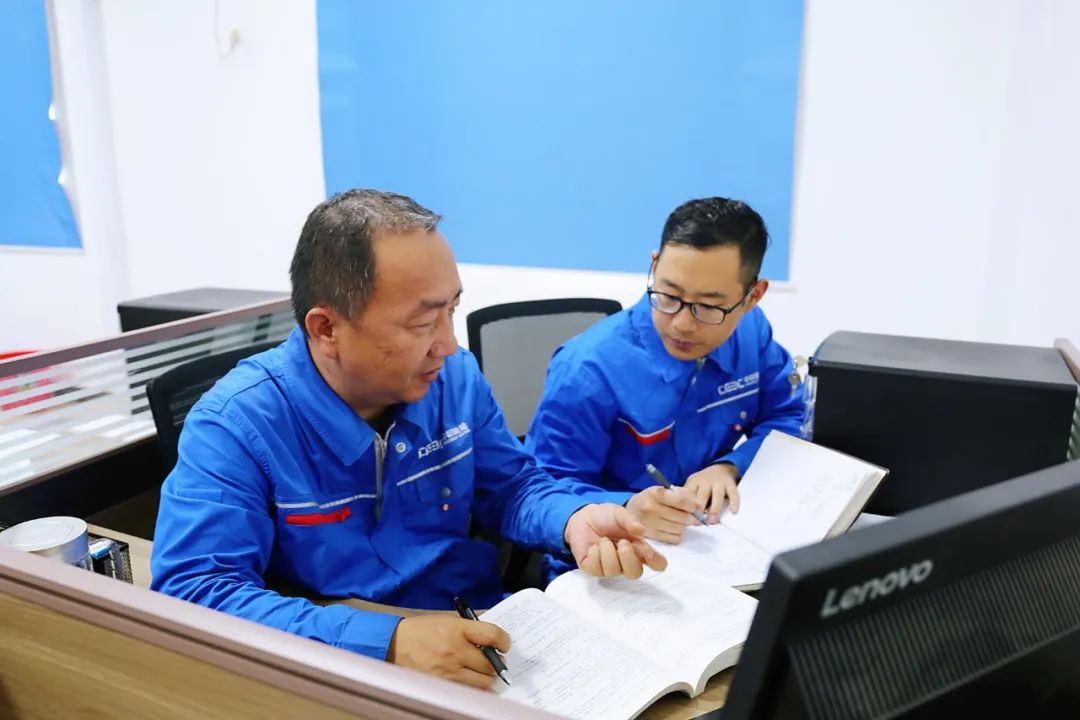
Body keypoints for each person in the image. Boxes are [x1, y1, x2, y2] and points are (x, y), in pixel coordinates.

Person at [151, 189, 666, 689]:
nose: (449, 344)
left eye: (452, 310)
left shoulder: (454, 378)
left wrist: (571, 518)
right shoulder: (236, 424)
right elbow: (196, 591)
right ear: (326, 328)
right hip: (338, 669)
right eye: (423, 322)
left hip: (483, 639)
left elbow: (512, 487)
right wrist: (389, 642)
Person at [525, 197, 804, 578]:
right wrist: (627, 508)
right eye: (669, 296)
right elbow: (541, 490)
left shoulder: (751, 334)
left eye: (709, 307)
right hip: (609, 561)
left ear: (752, 297)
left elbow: (789, 415)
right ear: (654, 265)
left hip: (708, 548)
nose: (682, 325)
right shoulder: (588, 369)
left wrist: (730, 466)